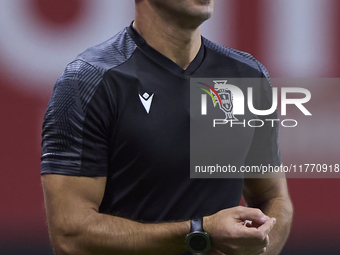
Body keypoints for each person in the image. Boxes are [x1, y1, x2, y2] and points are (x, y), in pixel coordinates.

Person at [41, 0, 293, 254]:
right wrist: (199, 233)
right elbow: (70, 236)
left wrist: (259, 245)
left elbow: (273, 198)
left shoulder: (247, 76)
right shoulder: (88, 81)